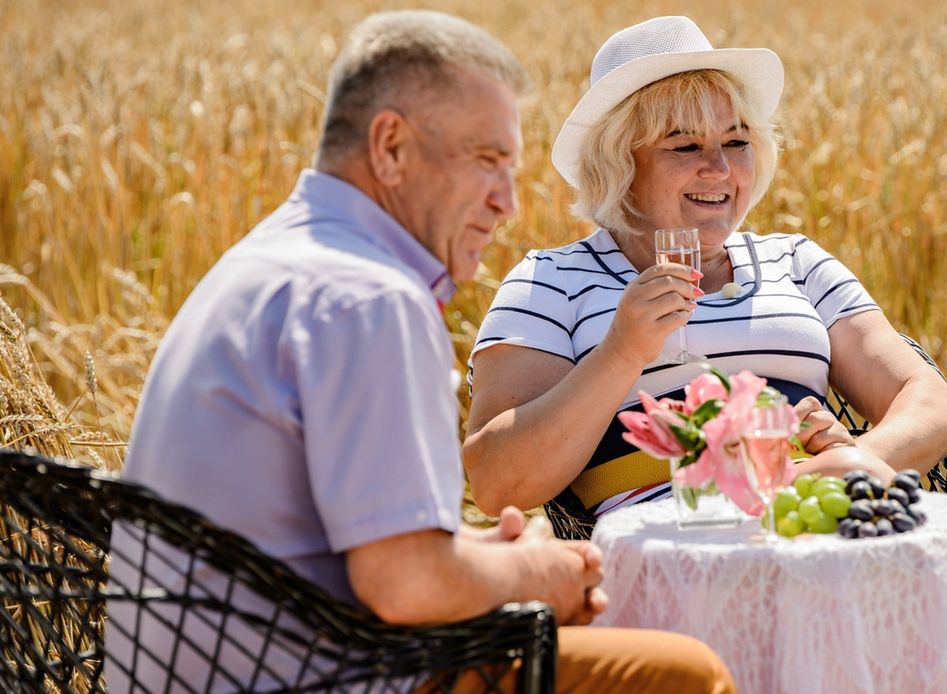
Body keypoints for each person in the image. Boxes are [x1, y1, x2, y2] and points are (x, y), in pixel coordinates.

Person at [105, 11, 735, 693]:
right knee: (686, 674)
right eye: (487, 161)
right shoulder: (366, 297)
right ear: (391, 146)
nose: (508, 203)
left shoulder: (270, 261)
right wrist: (540, 571)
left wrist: (473, 553)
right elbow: (406, 585)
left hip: (200, 673)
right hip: (320, 677)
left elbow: (351, 549)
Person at [464, 15, 947, 694]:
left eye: (736, 140)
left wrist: (858, 462)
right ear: (617, 160)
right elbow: (496, 481)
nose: (719, 168)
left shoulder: (796, 261)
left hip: (818, 514)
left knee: (919, 556)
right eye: (684, 144)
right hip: (677, 546)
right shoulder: (551, 280)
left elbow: (928, 402)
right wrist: (620, 352)